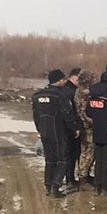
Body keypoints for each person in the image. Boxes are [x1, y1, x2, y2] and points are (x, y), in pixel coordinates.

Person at [31, 69, 76, 198]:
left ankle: (48, 185)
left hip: (45, 132)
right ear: (59, 80)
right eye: (63, 79)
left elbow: (36, 116)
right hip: (59, 131)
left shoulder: (37, 96)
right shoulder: (59, 95)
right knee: (63, 160)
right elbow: (67, 114)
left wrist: (40, 129)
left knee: (49, 159)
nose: (65, 81)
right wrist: (74, 128)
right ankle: (55, 186)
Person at [85, 74, 107, 195]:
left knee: (99, 160)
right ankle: (105, 187)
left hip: (97, 131)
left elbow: (88, 113)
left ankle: (97, 186)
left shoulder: (92, 96)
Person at [73, 70, 96, 184]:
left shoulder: (78, 90)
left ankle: (84, 175)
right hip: (87, 126)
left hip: (83, 125)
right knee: (89, 151)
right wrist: (93, 122)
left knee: (85, 151)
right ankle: (83, 178)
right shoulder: (86, 92)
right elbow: (84, 111)